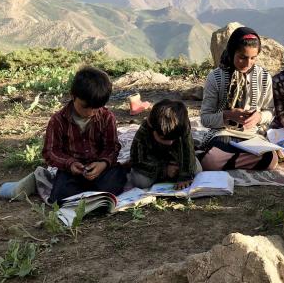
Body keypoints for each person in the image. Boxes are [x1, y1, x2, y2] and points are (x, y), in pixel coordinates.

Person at [42, 66, 126, 204]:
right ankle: (88, 191)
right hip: (72, 170)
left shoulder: (107, 117)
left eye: (96, 107)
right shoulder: (58, 120)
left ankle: (90, 191)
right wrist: (70, 164)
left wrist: (103, 164)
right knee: (60, 196)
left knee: (115, 181)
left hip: (100, 168)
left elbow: (112, 147)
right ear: (73, 96)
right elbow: (50, 151)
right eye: (85, 107)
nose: (90, 113)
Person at [200, 26, 278, 170]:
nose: (248, 63)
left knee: (272, 159)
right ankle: (232, 160)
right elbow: (205, 118)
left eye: (253, 58)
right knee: (210, 161)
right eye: (242, 57)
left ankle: (227, 161)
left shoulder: (264, 77)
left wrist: (259, 117)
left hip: (251, 135)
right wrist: (228, 115)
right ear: (231, 52)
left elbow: (270, 111)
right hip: (223, 133)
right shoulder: (216, 77)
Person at [129, 99, 198, 190]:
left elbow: (187, 151)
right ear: (151, 125)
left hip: (174, 158)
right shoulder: (145, 128)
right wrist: (164, 170)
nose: (170, 142)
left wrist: (185, 176)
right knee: (141, 181)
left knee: (197, 171)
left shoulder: (182, 125)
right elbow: (136, 160)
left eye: (173, 139)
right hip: (153, 163)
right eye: (163, 138)